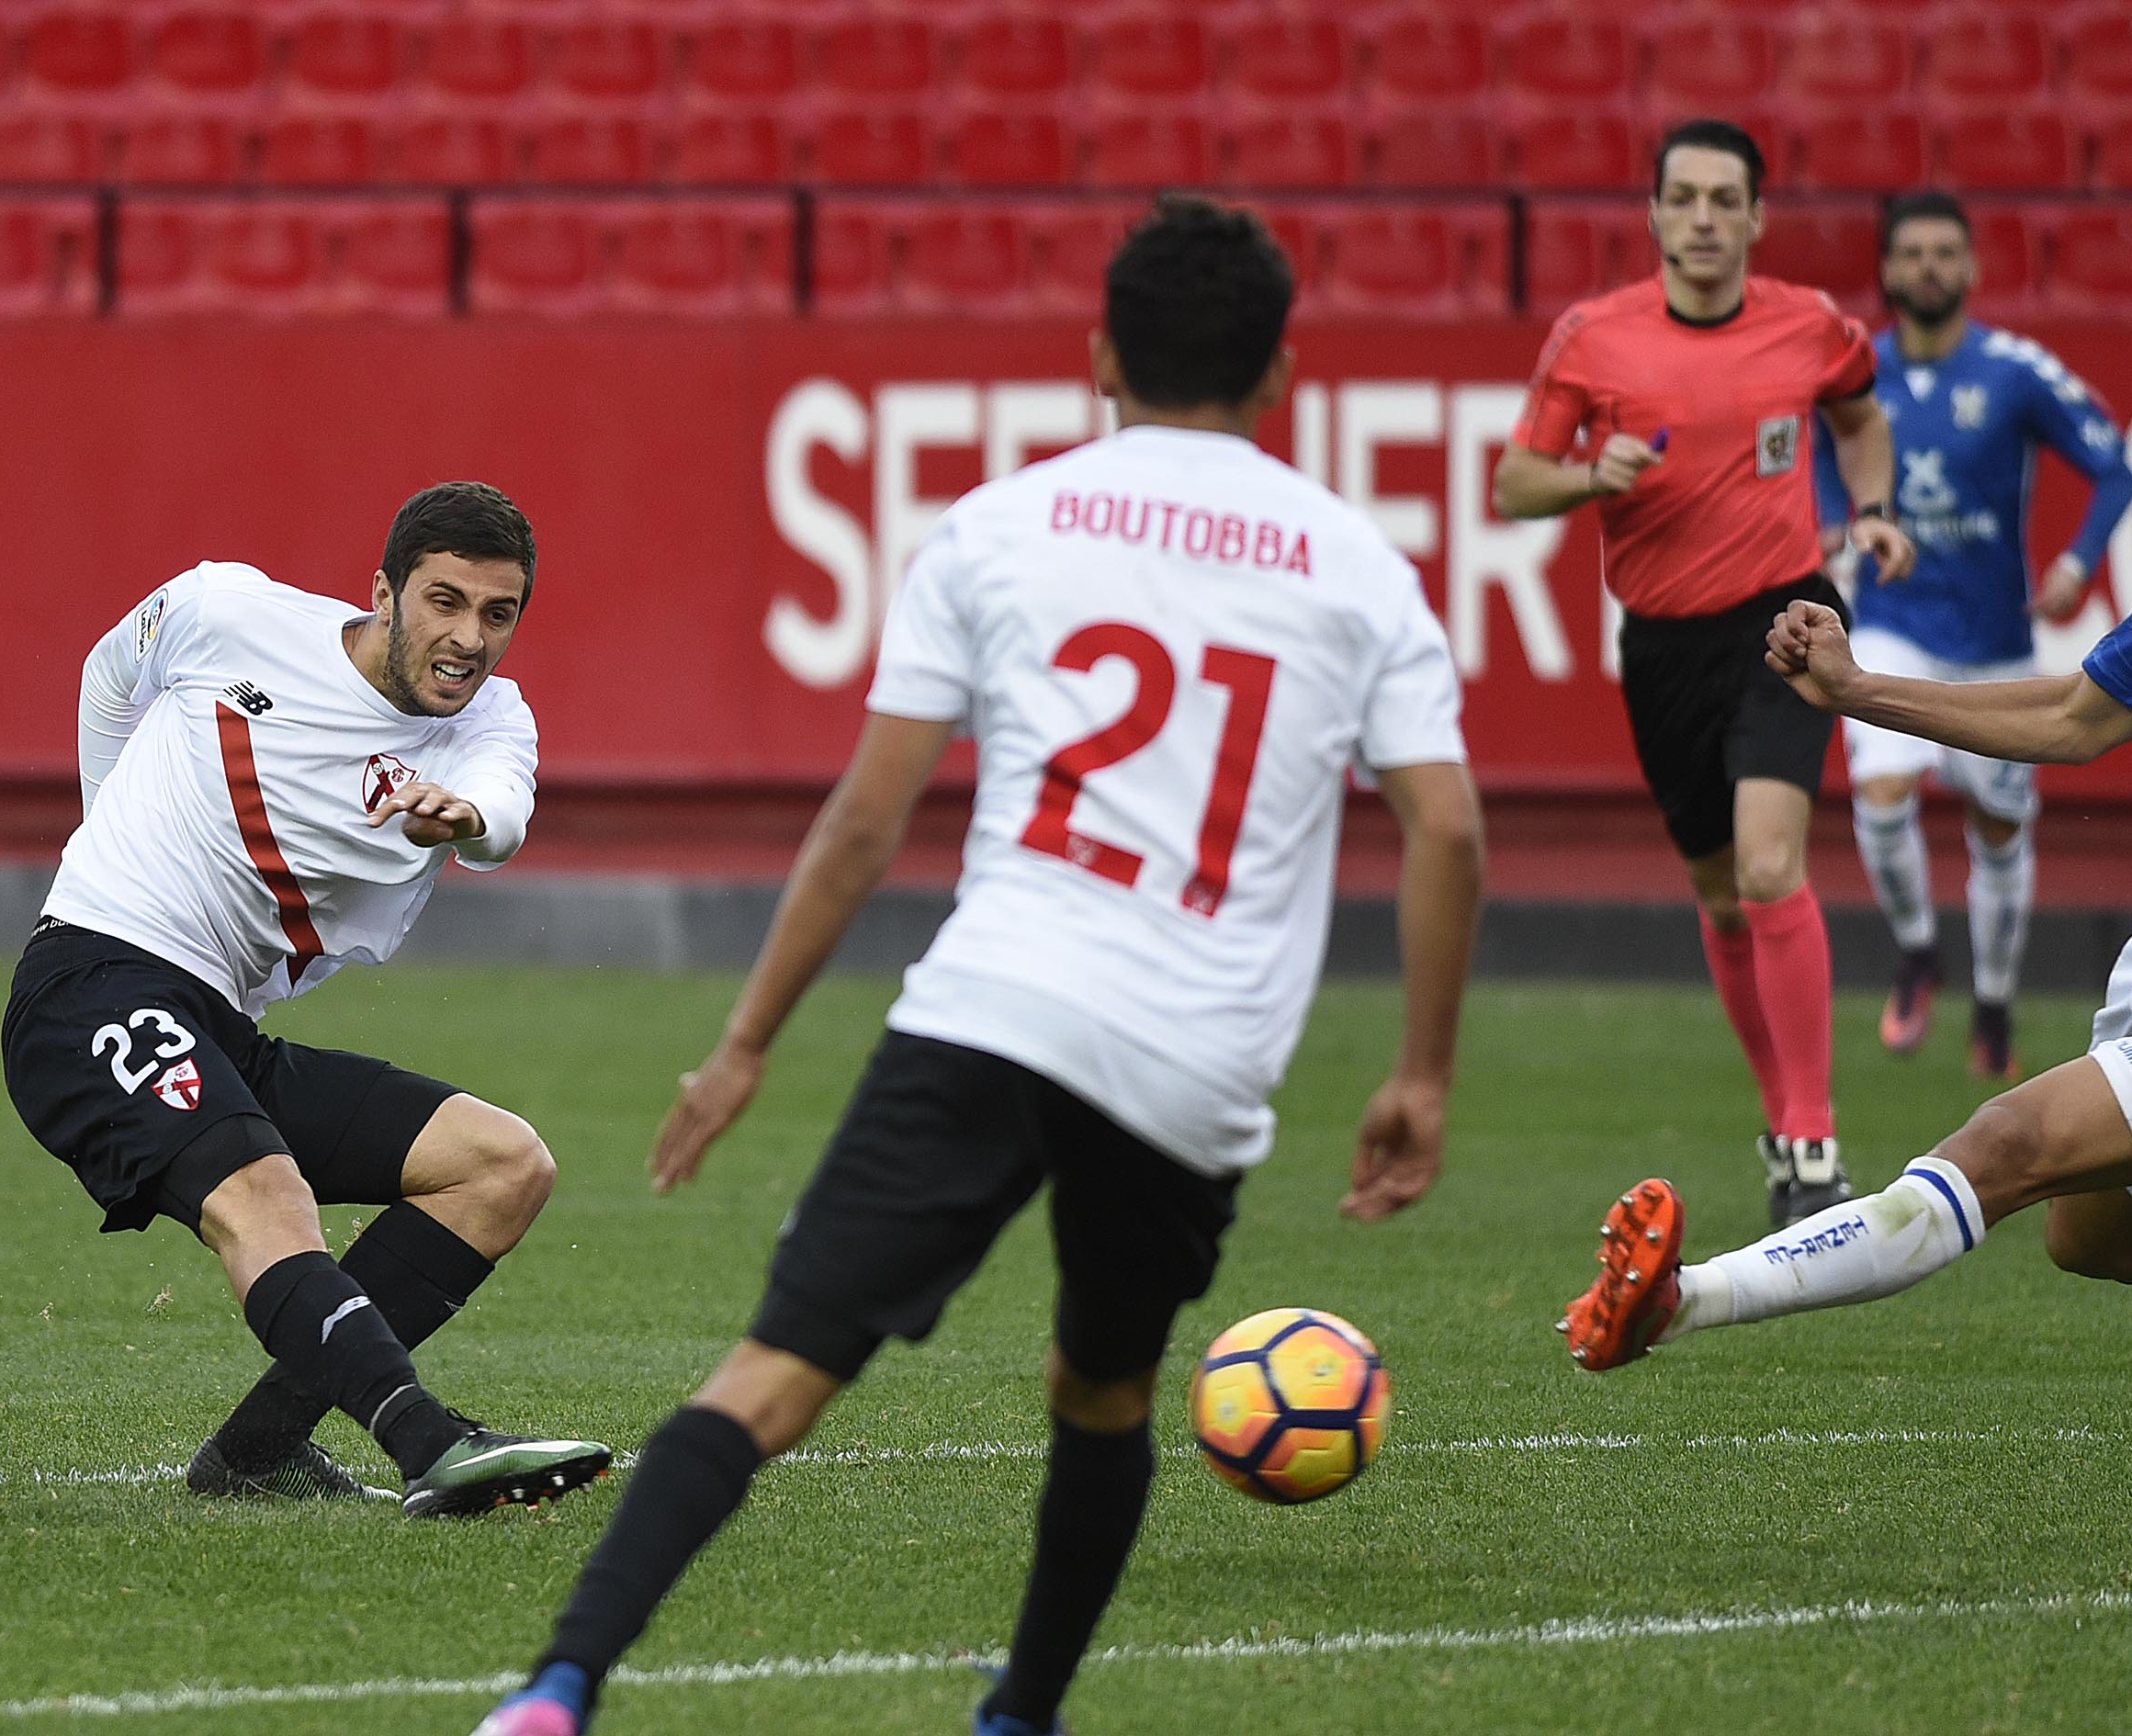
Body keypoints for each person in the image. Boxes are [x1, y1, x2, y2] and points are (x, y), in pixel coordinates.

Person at [469, 197, 1484, 1736]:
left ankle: (557, 1690)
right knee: (1105, 1393)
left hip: (992, 1006)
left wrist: (744, 1044)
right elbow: (1448, 832)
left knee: (774, 1376)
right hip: (1190, 1059)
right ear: (1278, 374)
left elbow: (865, 825)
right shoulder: (1356, 569)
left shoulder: (1003, 528)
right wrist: (1417, 1071)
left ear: (1098, 359)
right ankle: (1020, 1715)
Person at [1561, 222, 2132, 1400]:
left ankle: (1681, 1302)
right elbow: (2075, 717)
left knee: (2005, 1148)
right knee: (2094, 1237)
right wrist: (1854, 690)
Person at [0, 481, 612, 1517]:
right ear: (384, 593)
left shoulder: (490, 727)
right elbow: (113, 674)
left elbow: (503, 811)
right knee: (265, 1198)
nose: (468, 638)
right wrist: (105, 839)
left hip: (219, 1026)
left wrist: (463, 817)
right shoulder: (227, 610)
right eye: (444, 601)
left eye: (497, 613)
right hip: (90, 982)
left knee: (502, 1167)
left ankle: (256, 1454)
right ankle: (428, 1445)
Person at [1496, 118, 1919, 1229]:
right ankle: (1780, 1115)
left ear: (1754, 218)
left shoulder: (1808, 324)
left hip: (1783, 619)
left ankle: (1814, 1145)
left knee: (1773, 865)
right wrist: (1590, 474)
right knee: (1723, 895)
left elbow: (1862, 420)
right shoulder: (1592, 339)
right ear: (1651, 213)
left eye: (1722, 200)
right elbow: (1513, 484)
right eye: (1680, 198)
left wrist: (1870, 514)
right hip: (1662, 646)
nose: (1700, 219)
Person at [1813, 191, 2132, 1078]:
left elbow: (2114, 467)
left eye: (1943, 252)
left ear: (1970, 267)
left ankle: (1992, 999)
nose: (1927, 267)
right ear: (1884, 269)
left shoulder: (2013, 370)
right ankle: (1918, 950)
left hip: (1995, 642)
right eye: (1910, 252)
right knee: (1881, 794)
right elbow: (1815, 450)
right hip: (1891, 621)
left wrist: (2075, 564)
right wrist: (1830, 523)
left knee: (1997, 828)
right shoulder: (1852, 372)